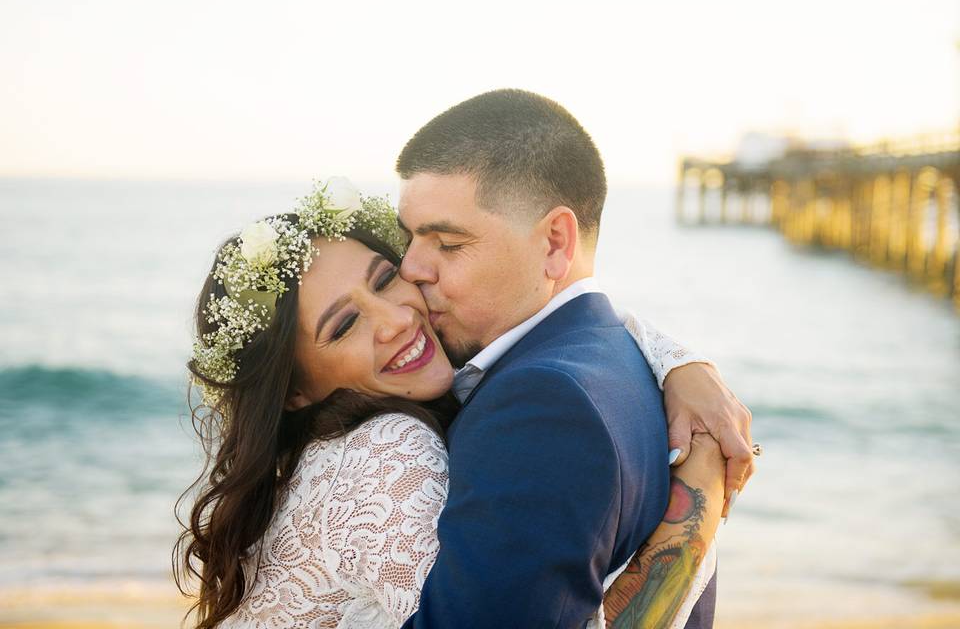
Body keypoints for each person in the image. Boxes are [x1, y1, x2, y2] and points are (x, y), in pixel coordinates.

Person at [174, 182, 737, 628]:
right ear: (295, 391)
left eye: (387, 279)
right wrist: (702, 485)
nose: (396, 318)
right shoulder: (383, 452)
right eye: (345, 325)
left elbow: (552, 318)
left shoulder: (334, 443)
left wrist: (682, 365)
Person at [393, 89, 750, 628]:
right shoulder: (620, 357)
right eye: (410, 238)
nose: (410, 268)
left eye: (446, 243)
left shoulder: (541, 407)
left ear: (556, 242)